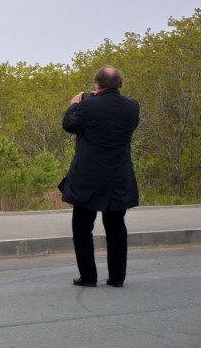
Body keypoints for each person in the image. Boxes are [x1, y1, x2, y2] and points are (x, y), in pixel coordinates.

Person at [61, 66, 140, 288]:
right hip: (119, 176)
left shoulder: (87, 105)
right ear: (120, 84)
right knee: (116, 226)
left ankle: (88, 277)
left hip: (90, 177)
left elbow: (70, 125)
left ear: (97, 84)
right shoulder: (132, 107)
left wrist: (75, 104)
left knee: (82, 226)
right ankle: (117, 278)